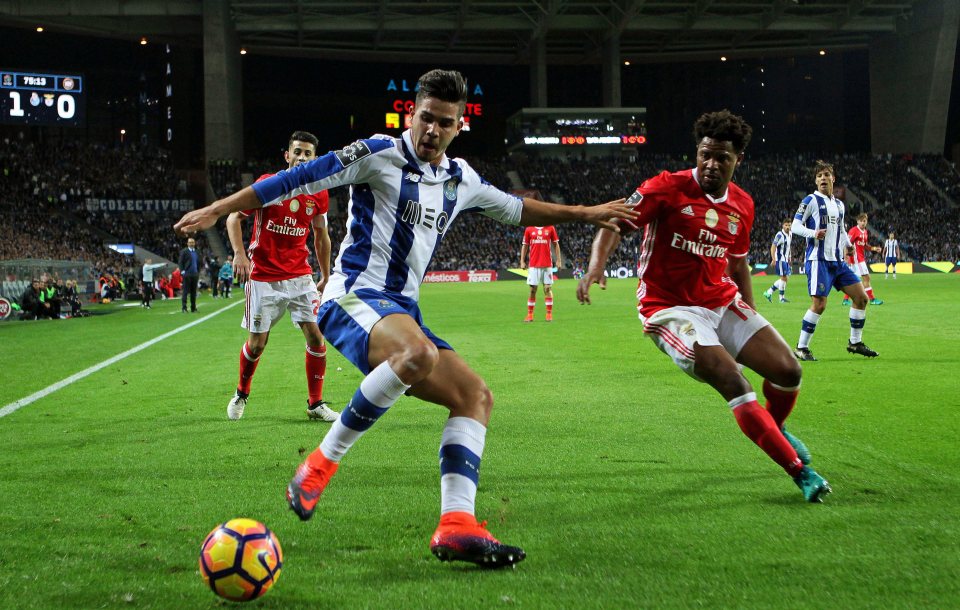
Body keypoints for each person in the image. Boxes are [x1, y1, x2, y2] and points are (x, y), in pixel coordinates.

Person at [174, 68, 636, 568]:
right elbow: (296, 178)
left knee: (475, 397)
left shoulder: (461, 181)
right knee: (416, 352)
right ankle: (319, 464)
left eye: (444, 123)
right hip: (351, 298)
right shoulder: (377, 153)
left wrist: (587, 213)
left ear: (459, 126)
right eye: (425, 118)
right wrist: (219, 208)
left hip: (400, 309)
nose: (432, 130)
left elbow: (518, 209)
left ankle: (456, 525)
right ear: (410, 114)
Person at [576, 109, 831, 504]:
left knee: (788, 370)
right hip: (669, 308)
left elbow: (738, 263)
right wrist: (595, 267)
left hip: (720, 299)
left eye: (722, 158)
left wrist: (749, 315)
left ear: (738, 160)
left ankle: (775, 428)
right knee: (734, 381)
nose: (711, 165)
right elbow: (613, 222)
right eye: (705, 155)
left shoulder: (743, 204)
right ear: (697, 152)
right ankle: (800, 472)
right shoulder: (666, 187)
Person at [223, 130, 338, 423]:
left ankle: (315, 404)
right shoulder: (267, 185)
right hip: (264, 277)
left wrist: (325, 274)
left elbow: (321, 234)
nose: (301, 157)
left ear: (315, 159)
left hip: (300, 276)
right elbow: (233, 216)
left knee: (316, 336)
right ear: (287, 155)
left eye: (308, 153)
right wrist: (239, 254)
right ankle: (241, 392)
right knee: (258, 344)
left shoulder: (319, 192)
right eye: (297, 151)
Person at [792, 161, 878, 361]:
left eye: (826, 175)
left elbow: (840, 229)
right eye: (819, 175)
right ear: (815, 180)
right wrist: (813, 233)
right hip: (818, 260)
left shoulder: (839, 204)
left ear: (833, 179)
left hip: (837, 262)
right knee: (820, 304)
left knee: (861, 298)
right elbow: (796, 225)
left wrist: (848, 243)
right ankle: (801, 347)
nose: (823, 178)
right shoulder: (810, 200)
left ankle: (855, 343)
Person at [519, 225, 561, 322]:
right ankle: (530, 315)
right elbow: (525, 245)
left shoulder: (550, 228)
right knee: (533, 290)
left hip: (547, 265)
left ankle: (549, 314)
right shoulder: (529, 228)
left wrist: (559, 260)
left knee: (547, 288)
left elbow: (556, 244)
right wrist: (522, 261)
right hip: (533, 265)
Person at [841, 213, 883, 306]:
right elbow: (846, 244)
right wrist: (846, 257)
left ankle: (845, 300)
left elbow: (864, 245)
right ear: (857, 221)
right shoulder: (853, 231)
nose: (863, 223)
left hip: (860, 258)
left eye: (865, 221)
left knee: (853, 280)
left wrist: (874, 248)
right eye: (861, 221)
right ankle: (872, 299)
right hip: (856, 259)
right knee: (866, 278)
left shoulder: (865, 232)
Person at [763, 219, 793, 303]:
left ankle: (768, 292)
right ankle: (781, 298)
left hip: (786, 259)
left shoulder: (790, 234)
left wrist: (789, 257)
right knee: (784, 277)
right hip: (780, 259)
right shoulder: (779, 235)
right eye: (786, 225)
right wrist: (773, 259)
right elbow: (773, 247)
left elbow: (788, 247)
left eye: (789, 225)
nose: (787, 227)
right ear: (783, 225)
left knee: (785, 278)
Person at [177, 237, 200, 312]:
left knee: (193, 292)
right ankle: (184, 308)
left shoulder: (197, 252)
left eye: (193, 242)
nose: (191, 244)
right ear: (187, 243)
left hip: (195, 274)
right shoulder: (184, 251)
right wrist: (182, 271)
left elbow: (198, 262)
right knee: (185, 291)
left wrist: (198, 271)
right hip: (187, 274)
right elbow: (180, 262)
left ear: (194, 243)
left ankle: (193, 308)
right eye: (190, 242)